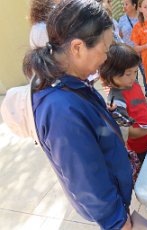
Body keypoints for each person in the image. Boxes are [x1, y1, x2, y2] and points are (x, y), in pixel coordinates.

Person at [22, 0, 133, 229]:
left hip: (116, 189)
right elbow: (87, 181)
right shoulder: (61, 110)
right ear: (77, 48)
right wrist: (118, 222)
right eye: (104, 49)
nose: (106, 58)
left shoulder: (73, 84)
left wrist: (102, 115)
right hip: (114, 209)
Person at [99, 43, 147, 218]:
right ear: (111, 74)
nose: (133, 77)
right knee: (145, 177)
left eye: (135, 72)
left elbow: (142, 110)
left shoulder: (132, 85)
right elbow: (129, 132)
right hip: (137, 146)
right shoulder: (116, 100)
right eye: (128, 74)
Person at [118, 0, 147, 98]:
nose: (124, 6)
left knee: (146, 73)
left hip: (142, 51)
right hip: (129, 54)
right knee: (131, 76)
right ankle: (135, 94)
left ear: (134, 5)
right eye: (123, 4)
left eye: (126, 4)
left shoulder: (142, 18)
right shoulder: (122, 19)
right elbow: (120, 35)